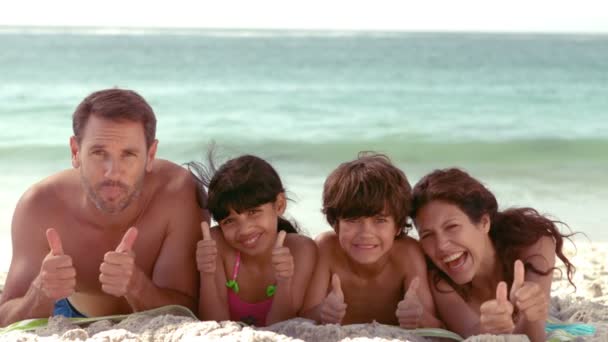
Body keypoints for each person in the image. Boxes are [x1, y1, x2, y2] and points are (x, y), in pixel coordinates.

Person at [0, 89, 203, 326]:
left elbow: (192, 310)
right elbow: (5, 318)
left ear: (150, 155)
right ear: (76, 152)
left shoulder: (177, 194)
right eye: (99, 153)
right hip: (68, 314)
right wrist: (40, 293)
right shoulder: (40, 206)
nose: (112, 172)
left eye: (128, 154)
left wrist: (137, 286)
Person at [410, 168, 576, 341]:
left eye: (452, 227)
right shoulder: (438, 279)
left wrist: (530, 316)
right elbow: (470, 332)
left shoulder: (534, 245)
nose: (441, 245)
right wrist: (488, 327)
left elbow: (534, 337)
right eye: (427, 235)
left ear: (484, 223)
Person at [301, 153, 441, 328]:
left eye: (380, 220)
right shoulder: (326, 248)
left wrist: (419, 317)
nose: (366, 233)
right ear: (335, 224)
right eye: (352, 220)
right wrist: (322, 312)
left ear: (397, 226)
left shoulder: (408, 254)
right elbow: (305, 316)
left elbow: (433, 324)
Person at [190, 154, 317, 326]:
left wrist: (285, 280)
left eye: (253, 212)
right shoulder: (216, 245)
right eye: (229, 221)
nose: (244, 230)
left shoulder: (301, 250)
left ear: (279, 205)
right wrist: (207, 273)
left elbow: (283, 328)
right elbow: (213, 326)